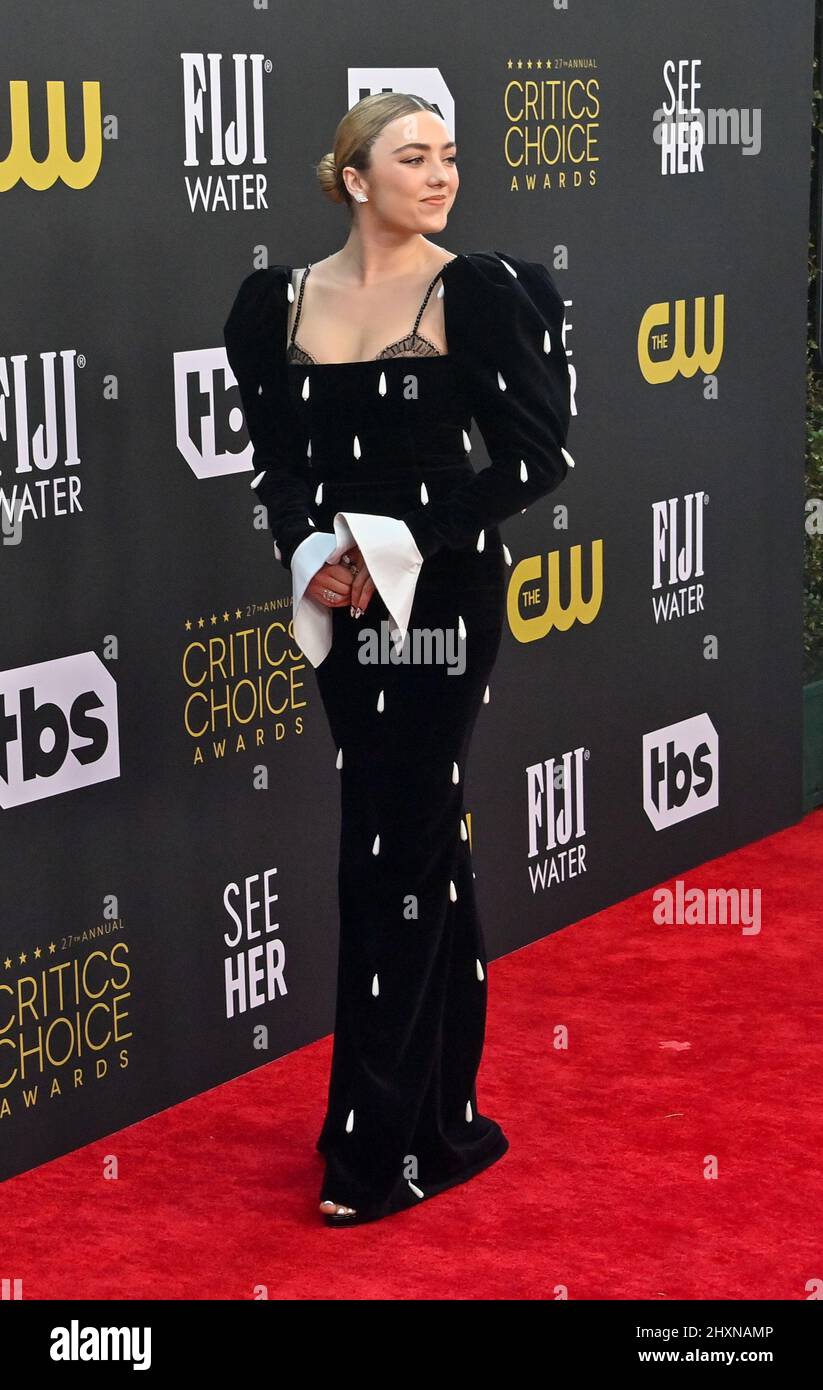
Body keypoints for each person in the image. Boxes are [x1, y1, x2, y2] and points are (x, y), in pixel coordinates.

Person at [223, 92, 574, 1227]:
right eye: (412, 157)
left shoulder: (476, 290)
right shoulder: (277, 302)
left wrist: (395, 543)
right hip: (342, 609)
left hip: (440, 602)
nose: (439, 175)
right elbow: (276, 464)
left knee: (388, 847)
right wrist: (311, 550)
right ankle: (438, 1115)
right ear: (353, 177)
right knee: (417, 842)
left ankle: (374, 1155)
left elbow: (535, 458)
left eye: (449, 156)